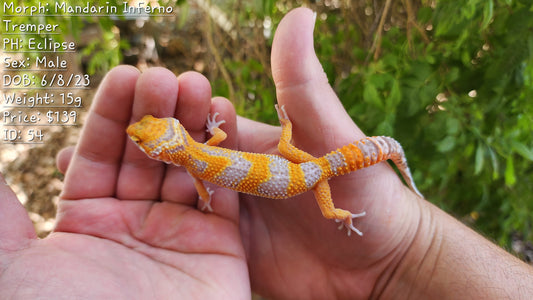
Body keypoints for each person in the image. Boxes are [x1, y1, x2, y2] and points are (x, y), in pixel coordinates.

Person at [1, 7, 532, 299]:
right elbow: (211, 155)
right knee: (309, 170)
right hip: (300, 169)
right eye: (145, 134)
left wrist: (208, 198)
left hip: (304, 174)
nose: (141, 135)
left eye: (145, 134)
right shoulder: (193, 152)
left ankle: (365, 193)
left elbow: (209, 174)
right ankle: (377, 176)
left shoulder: (189, 160)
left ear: (166, 146)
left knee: (326, 196)